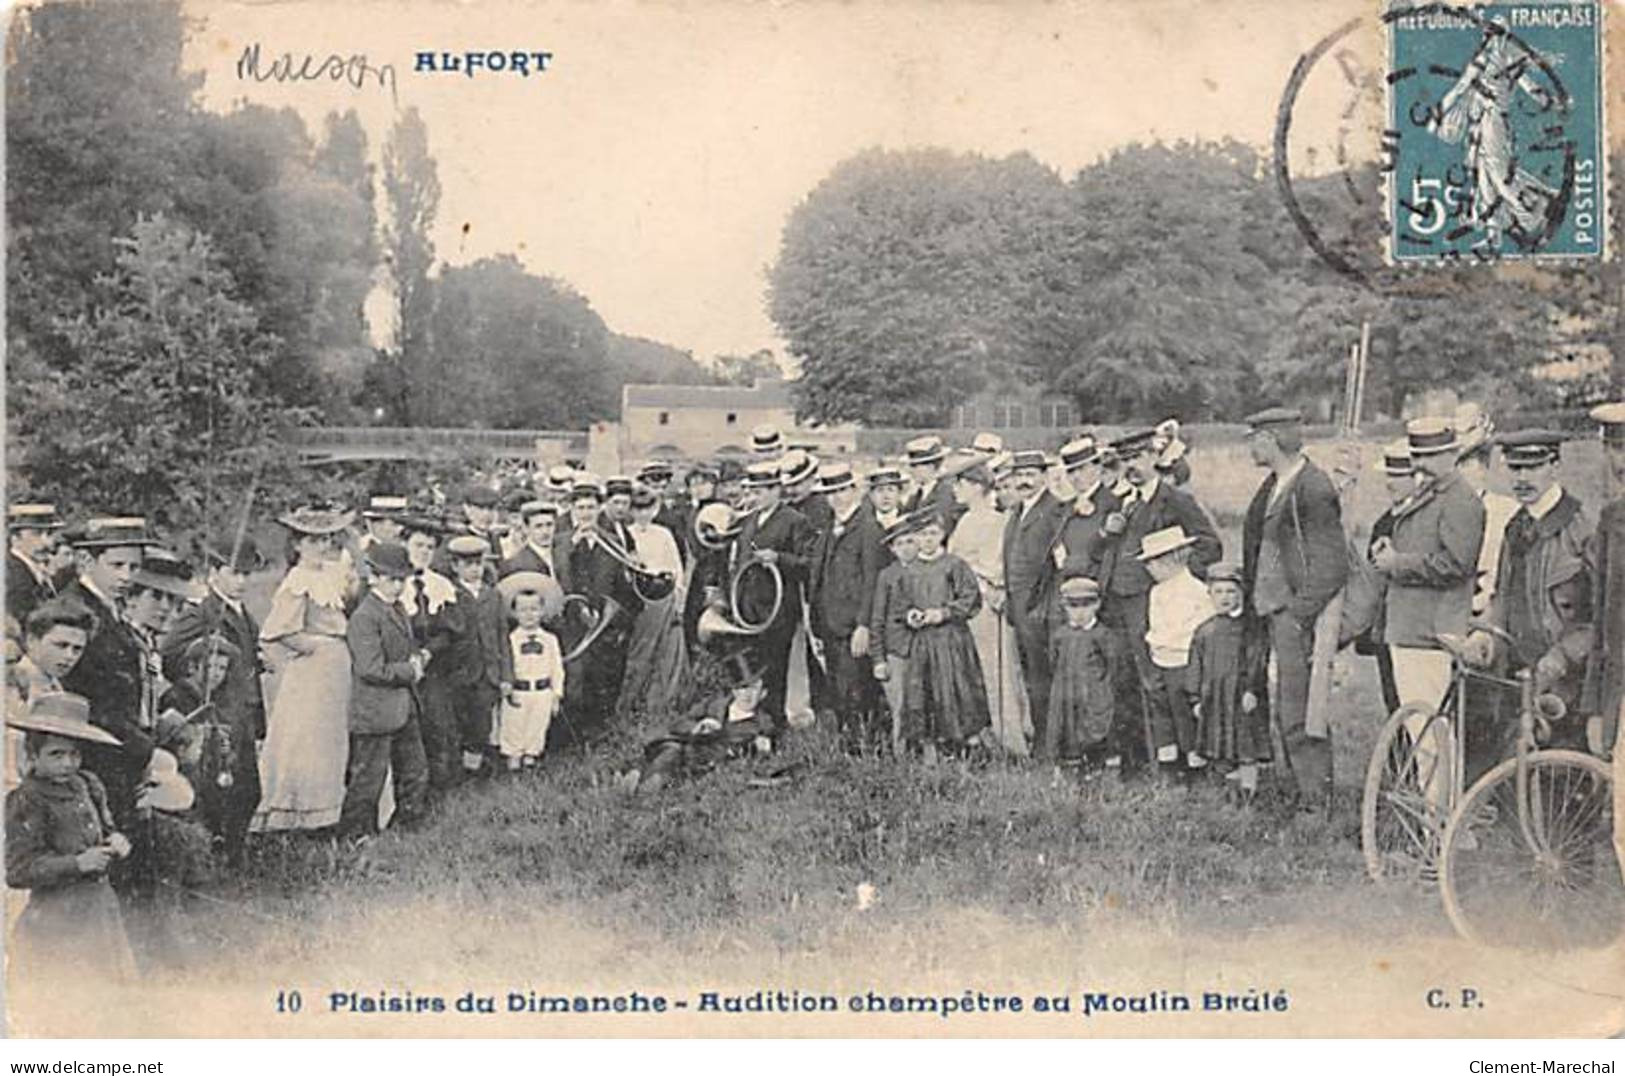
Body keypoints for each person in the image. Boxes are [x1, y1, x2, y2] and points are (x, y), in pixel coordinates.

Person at [1240, 407, 1349, 809]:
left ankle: (1315, 801)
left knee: (1301, 708)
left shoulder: (1312, 488)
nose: (1251, 446)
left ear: (1271, 439)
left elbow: (1333, 564)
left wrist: (1299, 616)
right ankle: (1298, 789)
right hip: (1271, 612)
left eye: (1254, 438)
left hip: (1293, 616)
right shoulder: (1276, 484)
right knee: (1285, 704)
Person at [1464, 429, 1595, 763]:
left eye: (1533, 467)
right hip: (1516, 675)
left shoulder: (1582, 528)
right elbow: (1504, 595)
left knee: (1565, 781)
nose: (1522, 478)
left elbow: (1599, 617)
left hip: (1568, 679)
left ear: (1555, 465)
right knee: (1511, 773)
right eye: (1515, 468)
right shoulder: (1515, 526)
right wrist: (1487, 636)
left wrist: (1559, 660)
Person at [1097, 427, 1222, 772]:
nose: (1131, 467)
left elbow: (1210, 545)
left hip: (1155, 606)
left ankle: (1189, 760)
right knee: (1131, 683)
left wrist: (1176, 580)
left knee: (1167, 684)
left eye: (1136, 457)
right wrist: (1108, 535)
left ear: (1154, 456)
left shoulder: (1175, 500)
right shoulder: (1124, 502)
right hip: (1117, 605)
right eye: (1124, 461)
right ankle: (1144, 757)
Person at [5, 693, 137, 993]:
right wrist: (77, 863)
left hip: (101, 913)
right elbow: (18, 871)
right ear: (33, 756)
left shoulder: (86, 785)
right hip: (57, 918)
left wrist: (115, 840)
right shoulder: (27, 800)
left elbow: (104, 829)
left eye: (75, 754)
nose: (68, 763)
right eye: (56, 754)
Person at [1370, 417, 1487, 714]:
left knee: (1428, 727)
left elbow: (1457, 564)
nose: (1422, 463)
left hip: (1431, 632)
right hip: (1412, 628)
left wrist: (1398, 563)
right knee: (1420, 727)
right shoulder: (1431, 492)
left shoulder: (1460, 498)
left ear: (1452, 455)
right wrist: (1390, 550)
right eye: (1418, 455)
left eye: (1431, 456)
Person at [251, 506, 355, 835]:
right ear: (297, 544)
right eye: (313, 540)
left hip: (335, 669)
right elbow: (277, 630)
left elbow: (353, 589)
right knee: (308, 739)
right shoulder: (297, 580)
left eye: (326, 539)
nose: (322, 546)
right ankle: (297, 815)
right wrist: (314, 645)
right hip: (313, 672)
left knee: (332, 739)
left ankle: (326, 813)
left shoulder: (329, 574)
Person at [60, 517, 160, 833]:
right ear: (86, 560)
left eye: (133, 567)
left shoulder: (107, 607)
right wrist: (140, 745)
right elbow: (85, 695)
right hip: (97, 749)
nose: (126, 576)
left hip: (121, 746)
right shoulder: (76, 610)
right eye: (116, 565)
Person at [338, 542, 429, 839]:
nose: (397, 585)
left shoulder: (398, 608)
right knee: (368, 778)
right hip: (375, 709)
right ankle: (354, 835)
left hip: (404, 704)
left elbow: (403, 647)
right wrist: (409, 671)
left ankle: (408, 827)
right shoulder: (365, 616)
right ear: (374, 577)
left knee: (414, 771)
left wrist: (418, 657)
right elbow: (370, 668)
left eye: (402, 579)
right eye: (391, 578)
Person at [946, 452, 1030, 755]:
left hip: (983, 606)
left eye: (960, 483)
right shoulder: (967, 519)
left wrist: (968, 573)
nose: (955, 490)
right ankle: (984, 737)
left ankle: (1011, 739)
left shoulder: (996, 522)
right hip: (964, 606)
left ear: (977, 485)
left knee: (996, 671)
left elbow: (997, 568)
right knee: (972, 673)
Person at [893, 514, 988, 758]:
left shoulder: (954, 565)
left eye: (933, 534)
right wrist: (911, 615)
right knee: (924, 692)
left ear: (942, 535)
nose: (927, 540)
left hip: (951, 641)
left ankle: (968, 748)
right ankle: (930, 749)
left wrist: (944, 613)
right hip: (923, 643)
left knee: (957, 690)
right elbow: (900, 604)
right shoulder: (909, 570)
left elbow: (971, 599)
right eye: (922, 535)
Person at [1577, 402, 1625, 883]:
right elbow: (1601, 626)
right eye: (1614, 446)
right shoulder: (1612, 519)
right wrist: (1595, 705)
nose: (1622, 458)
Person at [557, 475, 641, 743]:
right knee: (575, 680)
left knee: (603, 679)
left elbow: (622, 586)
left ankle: (600, 733)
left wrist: (620, 622)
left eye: (591, 508)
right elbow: (558, 575)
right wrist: (571, 546)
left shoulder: (612, 540)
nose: (586, 513)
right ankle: (571, 738)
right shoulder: (560, 542)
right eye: (580, 508)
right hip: (572, 624)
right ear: (572, 510)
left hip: (605, 625)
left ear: (599, 509)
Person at [809, 462, 887, 748]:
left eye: (842, 490)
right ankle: (848, 746)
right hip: (830, 624)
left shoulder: (868, 528)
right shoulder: (830, 527)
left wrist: (864, 625)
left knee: (858, 690)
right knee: (839, 690)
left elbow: (872, 580)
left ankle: (864, 748)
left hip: (853, 625)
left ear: (854, 491)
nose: (837, 497)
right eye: (831, 493)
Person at [630, 649, 780, 796]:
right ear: (733, 691)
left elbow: (761, 746)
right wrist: (697, 726)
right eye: (741, 688)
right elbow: (680, 723)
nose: (747, 695)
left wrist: (760, 747)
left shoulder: (762, 723)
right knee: (672, 751)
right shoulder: (715, 705)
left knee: (681, 769)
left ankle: (646, 787)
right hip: (685, 746)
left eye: (753, 689)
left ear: (763, 693)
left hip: (708, 762)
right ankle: (641, 780)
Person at [727, 460, 811, 720]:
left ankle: (774, 726)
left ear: (776, 490)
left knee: (775, 670)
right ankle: (751, 727)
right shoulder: (749, 521)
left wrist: (779, 558)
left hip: (778, 611)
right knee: (750, 672)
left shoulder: (795, 520)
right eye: (752, 491)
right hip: (748, 611)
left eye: (761, 491)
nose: (754, 497)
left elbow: (808, 563)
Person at [1001, 450, 1069, 743]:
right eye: (1020, 475)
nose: (1025, 481)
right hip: (1020, 610)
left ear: (1044, 476)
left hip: (1042, 612)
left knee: (1046, 680)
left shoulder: (1055, 510)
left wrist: (1045, 608)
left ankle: (1053, 742)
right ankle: (1043, 739)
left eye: (1031, 474)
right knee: (1032, 679)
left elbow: (1060, 566)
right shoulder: (1017, 511)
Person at [1187, 563, 1271, 797]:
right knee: (1222, 742)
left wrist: (1252, 690)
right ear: (1210, 594)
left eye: (1231, 591)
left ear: (1242, 593)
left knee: (1245, 743)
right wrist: (1195, 698)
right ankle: (1232, 791)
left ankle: (1249, 791)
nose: (1225, 598)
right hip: (1215, 697)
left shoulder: (1251, 629)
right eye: (1219, 591)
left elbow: (1257, 660)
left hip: (1241, 697)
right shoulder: (1205, 631)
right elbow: (1196, 665)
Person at [1139, 525, 1216, 774]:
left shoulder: (1197, 591)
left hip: (1184, 661)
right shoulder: (1157, 592)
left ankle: (1195, 764)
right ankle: (1169, 763)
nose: (1149, 569)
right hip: (1160, 659)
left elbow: (1200, 630)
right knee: (1162, 713)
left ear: (1172, 560)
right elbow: (1156, 623)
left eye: (1153, 563)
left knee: (1185, 714)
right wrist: (1156, 642)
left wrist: (1170, 641)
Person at [1354, 441, 1418, 716]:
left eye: (1400, 476)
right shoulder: (1383, 522)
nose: (1391, 483)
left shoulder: (1423, 519)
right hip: (1387, 622)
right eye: (1389, 475)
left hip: (1416, 623)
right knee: (1392, 700)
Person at [442, 535, 514, 775]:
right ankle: (461, 769)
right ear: (455, 567)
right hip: (461, 673)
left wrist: (506, 676)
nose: (475, 570)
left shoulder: (493, 595)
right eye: (467, 565)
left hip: (487, 672)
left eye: (478, 564)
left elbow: (502, 636)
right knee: (460, 721)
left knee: (482, 724)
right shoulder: (450, 595)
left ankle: (474, 770)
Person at [6, 601, 94, 793]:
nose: (69, 656)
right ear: (31, 641)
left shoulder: (54, 686)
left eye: (77, 649)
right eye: (61, 645)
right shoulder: (13, 686)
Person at [621, 485, 689, 720]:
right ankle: (633, 705)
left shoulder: (663, 533)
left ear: (655, 508)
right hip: (643, 598)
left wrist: (679, 599)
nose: (642, 514)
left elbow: (677, 568)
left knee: (668, 650)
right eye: (637, 509)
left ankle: (663, 705)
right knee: (642, 651)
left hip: (666, 595)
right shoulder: (626, 534)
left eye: (647, 509)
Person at [1043, 575, 1119, 767]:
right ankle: (1073, 765)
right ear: (1064, 607)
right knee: (1069, 725)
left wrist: (1102, 687)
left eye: (1086, 606)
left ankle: (1104, 765)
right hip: (1068, 691)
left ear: (1097, 605)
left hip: (1094, 692)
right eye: (1073, 606)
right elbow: (1053, 661)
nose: (1080, 613)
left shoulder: (1103, 635)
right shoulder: (1061, 635)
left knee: (1097, 725)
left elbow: (1113, 665)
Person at [494, 573, 565, 770]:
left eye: (534, 609)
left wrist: (556, 695)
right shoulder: (511, 640)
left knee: (537, 727)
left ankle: (531, 758)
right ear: (514, 613)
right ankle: (513, 760)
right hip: (518, 691)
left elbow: (556, 668)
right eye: (523, 610)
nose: (529, 614)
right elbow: (505, 665)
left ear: (542, 611)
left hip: (542, 692)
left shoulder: (550, 640)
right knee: (514, 728)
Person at [1454, 405, 1520, 616]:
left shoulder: (1507, 512)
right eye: (1458, 464)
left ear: (1485, 466)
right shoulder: (1438, 511)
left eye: (1471, 462)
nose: (1463, 472)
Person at [870, 518, 922, 746]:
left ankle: (930, 755)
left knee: (924, 703)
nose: (906, 548)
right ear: (892, 549)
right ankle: (901, 755)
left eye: (911, 541)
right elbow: (878, 619)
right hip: (896, 650)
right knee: (899, 705)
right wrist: (878, 659)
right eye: (900, 544)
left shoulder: (928, 569)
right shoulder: (887, 576)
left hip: (924, 648)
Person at [7, 503, 65, 631]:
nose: (47, 542)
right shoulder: (12, 578)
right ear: (15, 538)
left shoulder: (38, 572)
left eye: (49, 534)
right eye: (37, 534)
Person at [903, 435, 965, 537]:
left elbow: (943, 526)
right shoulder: (918, 494)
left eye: (915, 466)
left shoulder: (945, 492)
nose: (911, 471)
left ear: (930, 467)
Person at [499, 500, 560, 579]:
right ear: (526, 528)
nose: (545, 532)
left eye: (549, 525)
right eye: (538, 526)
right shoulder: (517, 565)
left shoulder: (563, 556)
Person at [868, 464, 907, 534]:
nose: (885, 496)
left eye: (891, 490)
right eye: (880, 490)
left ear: (899, 493)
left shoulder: (908, 521)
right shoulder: (862, 527)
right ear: (871, 495)